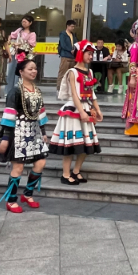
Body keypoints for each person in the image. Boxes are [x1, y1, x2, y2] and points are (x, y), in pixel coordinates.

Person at [0, 59, 48, 213]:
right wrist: (5, 138)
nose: (33, 71)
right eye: (30, 69)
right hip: (18, 133)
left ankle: (27, 194)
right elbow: (9, 115)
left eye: (35, 69)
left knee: (40, 163)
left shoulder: (37, 91)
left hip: (34, 131)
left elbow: (41, 113)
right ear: (21, 72)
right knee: (18, 166)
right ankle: (11, 199)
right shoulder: (15, 91)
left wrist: (43, 133)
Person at [49, 40, 103, 185]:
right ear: (81, 53)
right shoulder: (72, 72)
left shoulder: (90, 71)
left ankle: (76, 171)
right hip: (74, 109)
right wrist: (81, 112)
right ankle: (66, 174)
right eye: (89, 53)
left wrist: (97, 109)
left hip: (86, 107)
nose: (91, 56)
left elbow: (92, 93)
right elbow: (74, 93)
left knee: (86, 144)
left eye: (92, 54)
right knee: (71, 144)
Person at [7, 14, 39, 91]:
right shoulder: (19, 30)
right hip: (15, 53)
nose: (23, 23)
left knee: (20, 73)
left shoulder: (32, 34)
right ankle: (8, 91)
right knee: (11, 72)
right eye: (22, 22)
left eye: (25, 22)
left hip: (24, 55)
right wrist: (9, 40)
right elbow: (11, 35)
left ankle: (18, 90)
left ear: (30, 23)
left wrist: (20, 44)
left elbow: (32, 45)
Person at [56, 19, 77, 90]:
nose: (73, 28)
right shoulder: (63, 34)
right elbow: (63, 44)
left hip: (72, 56)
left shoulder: (73, 35)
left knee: (71, 73)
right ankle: (59, 88)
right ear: (67, 26)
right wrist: (70, 50)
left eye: (73, 27)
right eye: (71, 26)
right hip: (65, 55)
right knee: (62, 72)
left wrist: (74, 50)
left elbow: (75, 44)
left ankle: (69, 89)